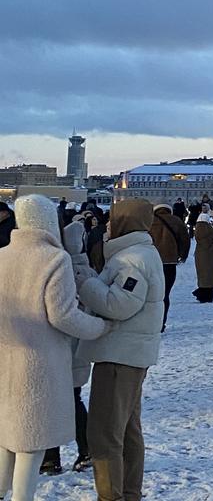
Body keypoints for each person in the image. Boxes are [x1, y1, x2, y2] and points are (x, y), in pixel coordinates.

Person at [0, 196, 109, 501]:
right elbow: (62, 315)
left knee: (6, 436)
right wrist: (99, 327)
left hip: (6, 357)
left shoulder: (2, 255)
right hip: (40, 363)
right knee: (31, 443)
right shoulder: (53, 258)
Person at [76, 197, 165, 501]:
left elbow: (119, 304)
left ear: (126, 222)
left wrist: (85, 283)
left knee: (104, 434)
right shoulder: (138, 254)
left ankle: (113, 496)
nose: (107, 225)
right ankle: (128, 493)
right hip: (129, 354)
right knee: (127, 431)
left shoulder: (133, 259)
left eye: (113, 219)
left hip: (119, 356)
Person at [43, 216, 98, 475]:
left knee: (51, 404)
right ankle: (85, 451)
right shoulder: (88, 271)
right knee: (73, 400)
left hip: (58, 347)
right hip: (78, 350)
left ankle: (51, 457)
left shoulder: (58, 270)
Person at [148, 202, 190, 330]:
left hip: (152, 262)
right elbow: (185, 239)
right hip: (170, 262)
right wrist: (182, 255)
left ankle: (151, 321)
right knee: (165, 294)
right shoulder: (176, 221)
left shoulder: (149, 221)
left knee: (151, 294)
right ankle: (162, 322)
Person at [191, 209, 213, 303]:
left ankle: (201, 293)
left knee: (203, 276)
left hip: (200, 253)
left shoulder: (198, 228)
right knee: (210, 276)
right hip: (210, 255)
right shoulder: (208, 228)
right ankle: (205, 296)